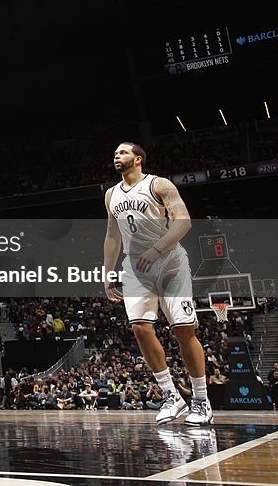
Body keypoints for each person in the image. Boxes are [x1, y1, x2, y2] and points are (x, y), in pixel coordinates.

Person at [103, 142, 212, 426]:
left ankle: (201, 399)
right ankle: (170, 395)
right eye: (115, 153)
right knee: (140, 327)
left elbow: (183, 222)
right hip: (136, 266)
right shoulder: (111, 194)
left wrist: (158, 249)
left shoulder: (158, 185)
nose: (117, 156)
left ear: (138, 159)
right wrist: (107, 272)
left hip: (170, 262)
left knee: (183, 330)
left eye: (123, 152)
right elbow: (113, 235)